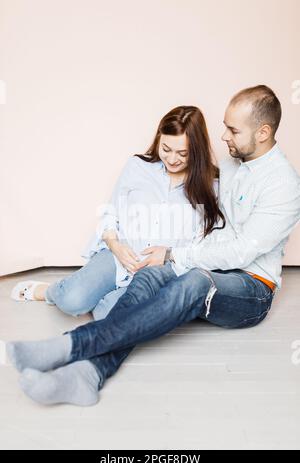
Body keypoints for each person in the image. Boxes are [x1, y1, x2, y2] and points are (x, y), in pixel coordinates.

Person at [7, 85, 300, 407]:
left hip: (251, 288)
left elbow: (241, 251)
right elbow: (213, 226)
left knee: (192, 279)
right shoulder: (231, 166)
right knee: (152, 278)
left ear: (263, 132)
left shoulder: (283, 184)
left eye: (232, 130)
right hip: (208, 265)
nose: (224, 136)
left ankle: (68, 346)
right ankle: (87, 375)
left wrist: (174, 253)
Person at [10, 106, 224, 321]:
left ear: (197, 150)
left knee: (108, 316)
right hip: (119, 255)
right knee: (72, 300)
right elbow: (111, 212)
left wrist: (169, 255)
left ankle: (94, 294)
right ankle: (53, 291)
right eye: (166, 148)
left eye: (183, 153)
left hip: (160, 270)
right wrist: (116, 246)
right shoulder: (137, 167)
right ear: (159, 138)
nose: (172, 158)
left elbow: (206, 242)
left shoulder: (212, 184)